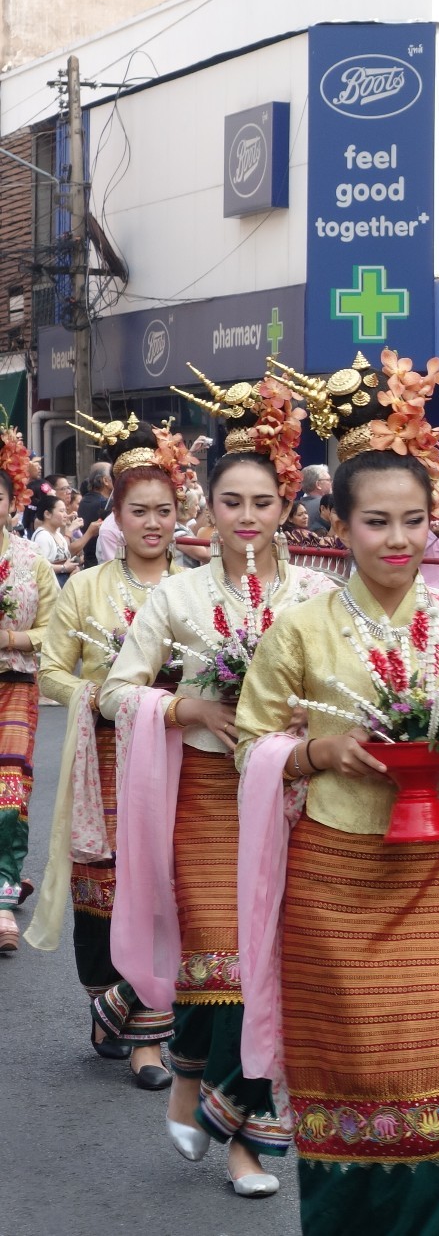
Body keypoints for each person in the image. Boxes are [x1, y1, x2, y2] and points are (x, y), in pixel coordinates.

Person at [236, 434, 439, 1234]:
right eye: (378, 522)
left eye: (415, 521)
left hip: (430, 869)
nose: (399, 540)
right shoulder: (299, 629)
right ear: (340, 523)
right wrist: (316, 751)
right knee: (349, 1069)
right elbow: (250, 741)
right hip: (330, 875)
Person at [101, 371, 332, 1198]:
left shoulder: (316, 595)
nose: (245, 517)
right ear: (209, 507)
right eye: (230, 502)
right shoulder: (178, 594)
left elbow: (347, 693)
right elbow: (114, 690)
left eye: (261, 502)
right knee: (221, 963)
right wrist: (182, 702)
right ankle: (211, 1097)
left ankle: (236, 1127)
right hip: (203, 792)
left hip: (291, 797)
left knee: (267, 964)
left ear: (286, 506)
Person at [25, 419, 187, 1087]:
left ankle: (148, 1040)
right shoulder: (88, 588)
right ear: (115, 514)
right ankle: (105, 1004)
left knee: (164, 892)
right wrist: (96, 693)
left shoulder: (195, 586)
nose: (153, 522)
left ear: (180, 514)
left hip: (179, 755)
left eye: (165, 510)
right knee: (105, 893)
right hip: (104, 758)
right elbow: (51, 667)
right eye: (138, 510)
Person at [0, 428, 60, 956]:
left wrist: (11, 638)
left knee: (9, 785)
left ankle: (1, 889)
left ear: (10, 501)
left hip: (15, 683)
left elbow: (55, 628)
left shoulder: (32, 561)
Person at [76, 461, 112, 567]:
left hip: (89, 560)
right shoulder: (105, 504)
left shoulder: (84, 500)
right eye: (113, 476)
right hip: (102, 562)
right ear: (105, 480)